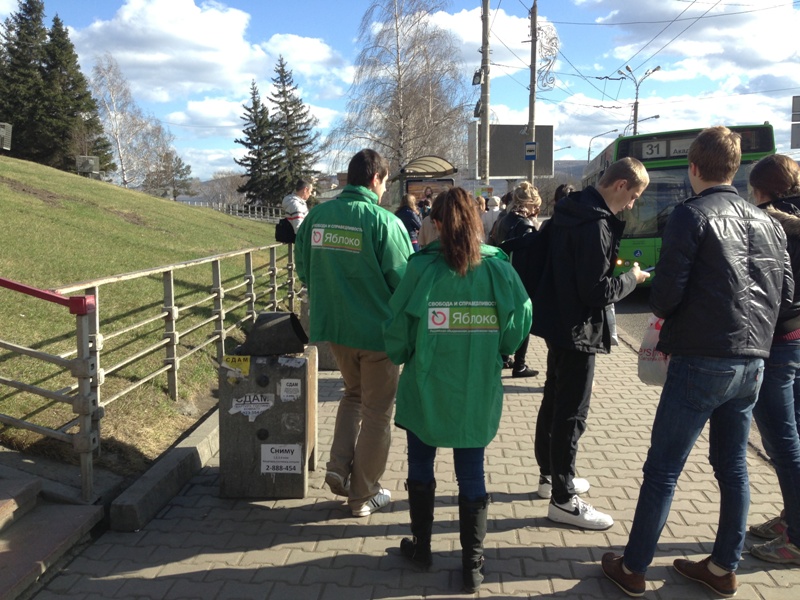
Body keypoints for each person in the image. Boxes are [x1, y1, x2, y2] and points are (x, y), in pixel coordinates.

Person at [601, 127, 794, 598]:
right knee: (733, 467)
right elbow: (787, 294)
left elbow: (665, 297)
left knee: (664, 468)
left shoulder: (691, 215)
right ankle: (723, 566)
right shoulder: (769, 221)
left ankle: (633, 567)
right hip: (754, 360)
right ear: (736, 168)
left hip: (702, 359)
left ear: (693, 168)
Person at [383, 187, 532, 593]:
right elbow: (520, 318)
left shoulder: (421, 269)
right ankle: (472, 564)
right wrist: (500, 351)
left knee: (420, 463)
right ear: (476, 220)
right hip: (475, 386)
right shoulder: (498, 269)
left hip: (426, 384)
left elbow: (397, 331)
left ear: (435, 224)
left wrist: (405, 353)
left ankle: (422, 548)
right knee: (471, 470)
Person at [532, 157, 650, 528]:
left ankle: (551, 476)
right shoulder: (596, 224)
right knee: (572, 413)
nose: (631, 205)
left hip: (557, 322)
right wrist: (632, 279)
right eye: (634, 196)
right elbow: (596, 291)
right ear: (620, 185)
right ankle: (564, 499)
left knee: (554, 401)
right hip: (580, 330)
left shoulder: (569, 210)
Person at [295, 149, 413, 517]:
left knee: (353, 396)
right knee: (377, 413)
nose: (384, 190)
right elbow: (404, 282)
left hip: (336, 330)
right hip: (379, 334)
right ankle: (363, 494)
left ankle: (337, 467)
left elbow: (304, 269)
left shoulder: (317, 217)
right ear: (375, 178)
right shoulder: (384, 222)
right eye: (385, 183)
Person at [746, 154, 800, 566]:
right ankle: (791, 518)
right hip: (795, 337)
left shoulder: (765, 223)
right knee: (793, 436)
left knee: (782, 443)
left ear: (760, 189)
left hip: (776, 340)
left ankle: (796, 538)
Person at [491, 181, 542, 378]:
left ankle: (504, 357)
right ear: (528, 204)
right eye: (535, 205)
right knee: (523, 321)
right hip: (520, 278)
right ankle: (520, 365)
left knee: (506, 319)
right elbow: (529, 255)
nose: (536, 210)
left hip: (502, 274)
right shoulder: (525, 225)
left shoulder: (503, 220)